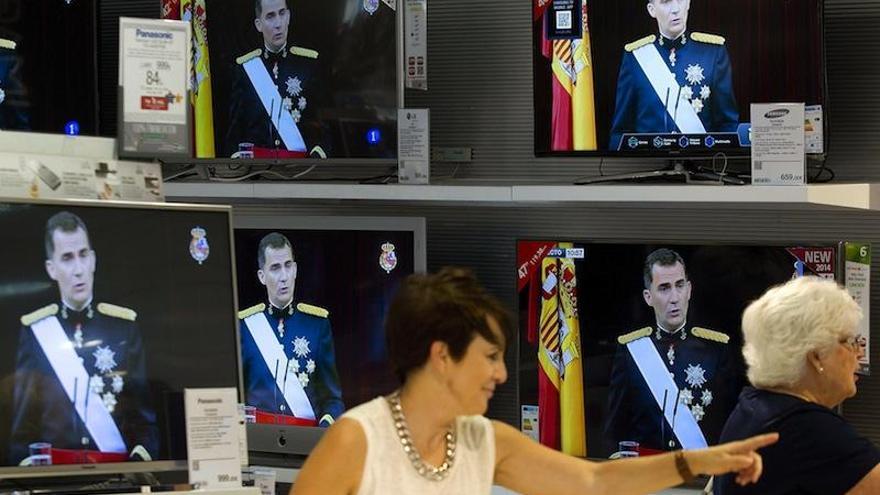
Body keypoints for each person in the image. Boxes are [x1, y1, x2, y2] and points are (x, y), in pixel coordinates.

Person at [291, 267, 778, 495]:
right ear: (441, 357)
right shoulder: (355, 442)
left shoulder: (485, 442)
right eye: (489, 357)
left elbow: (594, 480)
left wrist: (699, 461)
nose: (502, 374)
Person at [9, 211, 157, 465]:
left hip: (116, 477)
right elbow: (23, 430)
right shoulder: (35, 332)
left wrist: (137, 466)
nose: (78, 269)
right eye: (67, 258)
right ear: (51, 269)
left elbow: (143, 420)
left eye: (83, 255)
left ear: (93, 261)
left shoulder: (123, 327)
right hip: (54, 479)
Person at [714, 276, 880, 494]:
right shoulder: (807, 430)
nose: (859, 352)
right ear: (817, 357)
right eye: (849, 341)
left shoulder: (754, 406)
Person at [606, 248, 741, 453]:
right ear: (648, 296)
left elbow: (731, 424)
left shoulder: (716, 350)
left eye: (679, 286)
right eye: (664, 288)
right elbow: (616, 430)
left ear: (689, 290)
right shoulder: (631, 352)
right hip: (648, 474)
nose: (674, 297)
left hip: (701, 475)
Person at [238, 232, 343, 427]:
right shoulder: (244, 327)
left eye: (288, 266)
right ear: (262, 276)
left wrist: (322, 431)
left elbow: (332, 399)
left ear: (295, 270)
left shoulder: (317, 325)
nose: (284, 277)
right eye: (275, 268)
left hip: (305, 448)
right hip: (260, 447)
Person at [608, 0, 739, 150]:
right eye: (665, 2)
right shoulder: (635, 57)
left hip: (700, 166)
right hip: (649, 166)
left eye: (680, 0)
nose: (675, 9)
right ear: (652, 10)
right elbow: (620, 132)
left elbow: (727, 125)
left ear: (688, 4)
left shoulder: (713, 53)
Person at [225, 0, 329, 159]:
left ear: (288, 17)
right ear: (259, 25)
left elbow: (323, 127)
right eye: (270, 16)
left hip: (302, 171)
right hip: (257, 173)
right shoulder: (245, 69)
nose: (278, 24)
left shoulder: (309, 65)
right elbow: (235, 134)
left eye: (282, 14)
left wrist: (316, 158)